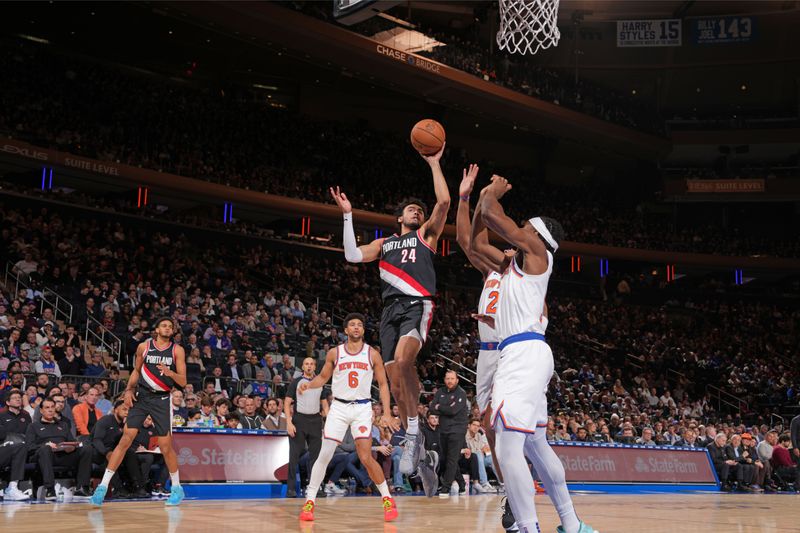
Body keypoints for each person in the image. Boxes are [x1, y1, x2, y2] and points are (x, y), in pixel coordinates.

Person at [331, 141, 450, 489]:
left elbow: (443, 202)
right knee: (395, 376)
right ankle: (419, 444)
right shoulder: (384, 244)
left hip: (417, 304)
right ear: (399, 218)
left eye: (418, 209)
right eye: (411, 210)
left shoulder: (427, 236)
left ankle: (413, 434)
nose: (416, 212)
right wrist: (348, 215)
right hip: (389, 312)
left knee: (402, 360)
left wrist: (434, 164)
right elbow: (352, 255)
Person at [478, 175, 594, 533]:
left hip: (522, 355)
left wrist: (493, 192)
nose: (520, 230)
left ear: (539, 235)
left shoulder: (539, 251)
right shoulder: (517, 267)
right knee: (535, 445)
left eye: (526, 227)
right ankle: (571, 524)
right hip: (528, 353)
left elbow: (494, 217)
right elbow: (477, 238)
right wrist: (476, 198)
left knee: (510, 446)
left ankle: (527, 526)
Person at [297, 313, 400, 522]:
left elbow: (382, 384)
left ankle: (387, 499)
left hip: (362, 408)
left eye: (359, 325)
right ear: (345, 330)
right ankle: (309, 502)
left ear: (363, 330)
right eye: (352, 324)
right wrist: (310, 385)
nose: (356, 327)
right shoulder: (335, 353)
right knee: (325, 454)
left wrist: (387, 412)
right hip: (339, 408)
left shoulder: (372, 354)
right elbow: (324, 377)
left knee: (365, 457)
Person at [91, 317, 187, 506]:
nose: (167, 328)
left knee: (166, 446)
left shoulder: (177, 350)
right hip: (141, 397)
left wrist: (170, 374)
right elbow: (136, 370)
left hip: (161, 399)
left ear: (173, 331)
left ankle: (177, 488)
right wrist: (128, 390)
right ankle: (102, 486)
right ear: (157, 329)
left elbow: (183, 381)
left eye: (170, 326)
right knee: (125, 439)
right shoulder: (144, 346)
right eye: (164, 325)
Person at [25, 397, 93, 500]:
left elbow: (72, 441)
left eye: (52, 407)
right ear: (41, 410)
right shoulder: (33, 426)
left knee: (86, 449)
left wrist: (71, 447)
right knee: (45, 450)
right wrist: (45, 445)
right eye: (47, 407)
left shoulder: (63, 425)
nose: (51, 410)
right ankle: (50, 489)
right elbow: (30, 447)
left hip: (63, 454)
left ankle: (82, 488)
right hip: (45, 456)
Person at [284, 357, 328, 498]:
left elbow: (325, 405)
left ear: (315, 367)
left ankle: (316, 487)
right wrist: (289, 423)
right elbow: (287, 403)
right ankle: (291, 488)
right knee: (294, 456)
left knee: (316, 458)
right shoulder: (296, 382)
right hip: (299, 420)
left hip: (315, 421)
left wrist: (327, 424)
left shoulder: (320, 383)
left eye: (311, 364)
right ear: (303, 367)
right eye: (306, 364)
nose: (309, 366)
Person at [91, 399, 148, 498]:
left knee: (130, 453)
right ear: (115, 410)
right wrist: (106, 452)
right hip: (99, 452)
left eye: (128, 410)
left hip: (115, 451)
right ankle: (118, 489)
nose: (127, 412)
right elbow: (96, 440)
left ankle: (137, 487)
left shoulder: (127, 424)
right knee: (111, 458)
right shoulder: (105, 420)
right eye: (124, 409)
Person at [430, 370, 469, 497]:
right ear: (445, 379)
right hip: (443, 429)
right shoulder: (440, 392)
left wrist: (439, 407)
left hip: (457, 430)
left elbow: (453, 410)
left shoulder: (461, 393)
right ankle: (462, 485)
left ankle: (445, 488)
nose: (450, 381)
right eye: (447, 378)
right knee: (447, 459)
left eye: (452, 378)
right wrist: (442, 407)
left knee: (452, 459)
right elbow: (431, 407)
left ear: (457, 380)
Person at [0, 389, 31, 500]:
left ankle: (12, 488)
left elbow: (30, 433)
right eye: (14, 398)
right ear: (8, 402)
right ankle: (11, 488)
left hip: (22, 448)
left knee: (24, 446)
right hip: (3, 449)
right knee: (20, 446)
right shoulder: (1, 414)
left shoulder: (26, 415)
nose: (18, 399)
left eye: (19, 397)